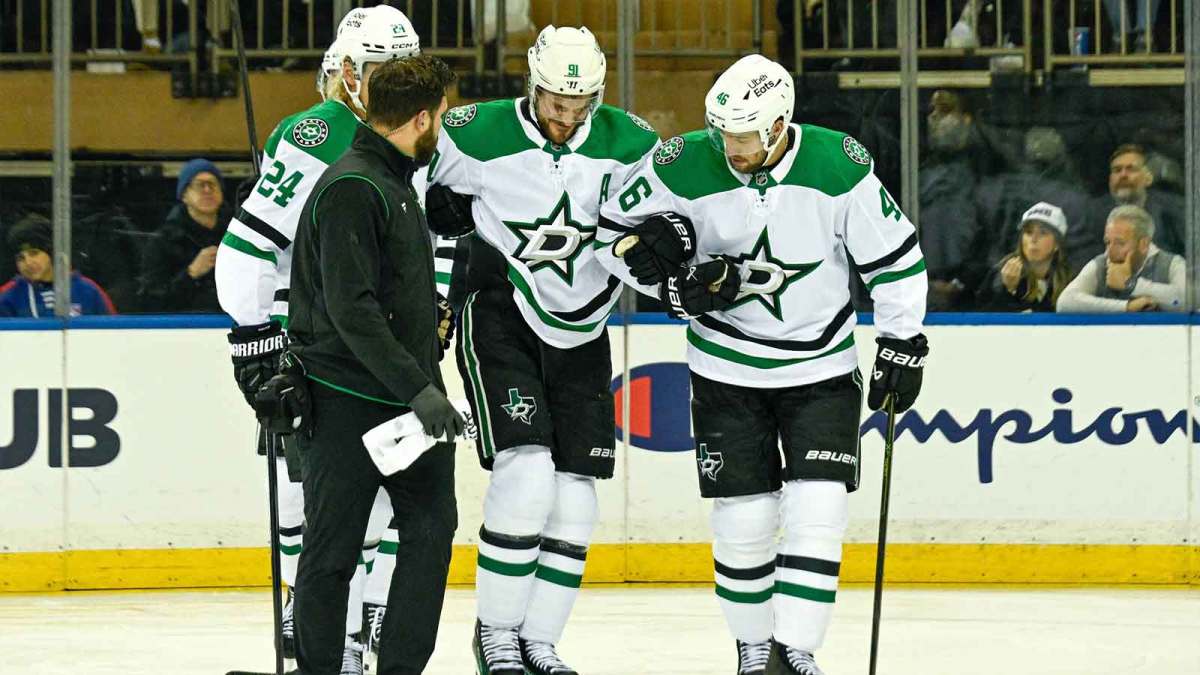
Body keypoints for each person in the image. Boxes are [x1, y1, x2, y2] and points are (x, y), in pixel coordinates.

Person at [597, 54, 928, 675]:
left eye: (744, 137)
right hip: (725, 369)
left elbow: (897, 260)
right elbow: (610, 236)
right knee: (744, 519)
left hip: (822, 368)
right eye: (723, 133)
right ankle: (754, 651)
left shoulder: (837, 165)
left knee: (819, 509)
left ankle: (793, 651)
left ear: (778, 126)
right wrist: (670, 284)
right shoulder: (681, 162)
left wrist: (902, 342)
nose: (731, 148)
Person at [423, 25, 659, 675]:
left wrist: (671, 250)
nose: (566, 114)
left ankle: (540, 640)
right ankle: (496, 636)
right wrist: (431, 284)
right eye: (556, 99)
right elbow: (405, 191)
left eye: (579, 103)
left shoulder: (632, 142)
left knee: (576, 494)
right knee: (524, 473)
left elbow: (664, 222)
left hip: (583, 329)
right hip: (499, 314)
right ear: (533, 82)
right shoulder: (472, 130)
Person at [214, 6, 425, 670]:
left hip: (389, 347)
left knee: (392, 494)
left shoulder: (425, 136)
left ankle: (356, 625)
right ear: (348, 76)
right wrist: (255, 341)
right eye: (374, 71)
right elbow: (246, 251)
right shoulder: (314, 134)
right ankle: (324, 626)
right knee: (316, 497)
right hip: (317, 343)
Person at [287, 54, 460, 675]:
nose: (441, 124)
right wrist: (420, 387)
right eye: (440, 114)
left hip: (406, 409)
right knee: (331, 553)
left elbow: (386, 297)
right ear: (421, 118)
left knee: (431, 530)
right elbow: (351, 309)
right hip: (342, 402)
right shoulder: (353, 187)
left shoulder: (395, 185)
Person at [137, 158, 230, 313]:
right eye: (200, 185)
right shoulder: (163, 241)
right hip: (181, 329)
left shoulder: (237, 235)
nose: (207, 190)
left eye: (213, 185)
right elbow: (151, 302)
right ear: (184, 195)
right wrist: (191, 273)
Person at [1075, 143, 1184, 271]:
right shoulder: (1093, 211)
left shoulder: (1172, 209)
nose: (1123, 175)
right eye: (1117, 170)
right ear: (1110, 179)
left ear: (1148, 178)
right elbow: (1083, 259)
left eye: (1131, 169)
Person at [1056, 204, 1184, 313]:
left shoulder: (1172, 264)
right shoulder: (1101, 263)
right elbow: (1065, 303)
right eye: (1107, 242)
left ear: (1144, 244)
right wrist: (1126, 307)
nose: (1110, 251)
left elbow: (1184, 301)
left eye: (1120, 243)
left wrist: (1131, 285)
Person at [0, 214, 115, 318]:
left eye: (34, 253)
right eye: (20, 258)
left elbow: (114, 334)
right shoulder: (8, 296)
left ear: (51, 252)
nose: (28, 263)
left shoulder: (88, 290)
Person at [977, 202, 1073, 312]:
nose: (1033, 239)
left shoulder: (1071, 281)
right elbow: (983, 321)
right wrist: (1008, 290)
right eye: (1028, 232)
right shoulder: (999, 274)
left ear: (1057, 244)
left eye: (1043, 233)